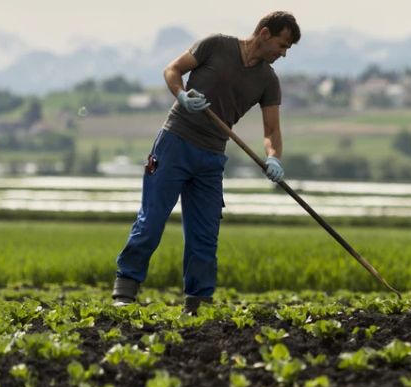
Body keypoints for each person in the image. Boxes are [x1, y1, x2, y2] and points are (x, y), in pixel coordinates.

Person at [112, 11, 300, 313]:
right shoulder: (216, 45)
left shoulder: (268, 80)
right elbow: (172, 70)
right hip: (175, 143)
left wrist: (273, 157)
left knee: (204, 234)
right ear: (264, 33)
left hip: (211, 157)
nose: (283, 53)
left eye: (287, 49)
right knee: (152, 221)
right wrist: (182, 96)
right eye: (282, 45)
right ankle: (125, 289)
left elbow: (272, 130)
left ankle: (198, 305)